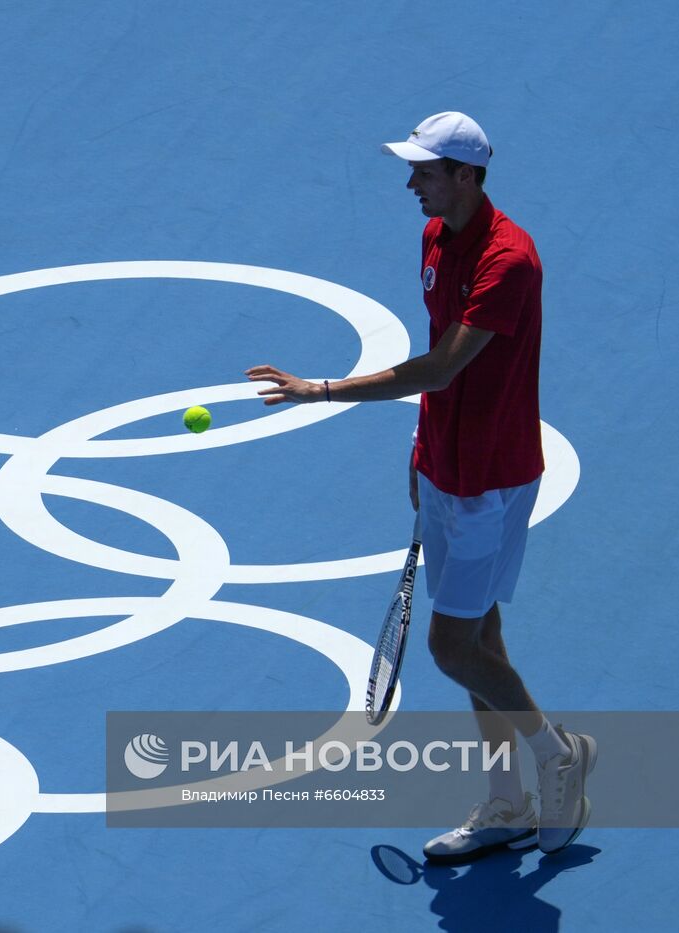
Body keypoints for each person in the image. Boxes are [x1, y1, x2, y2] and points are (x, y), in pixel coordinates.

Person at [245, 112, 594, 861]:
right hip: (446, 461)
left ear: (466, 176)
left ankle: (557, 754)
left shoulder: (511, 262)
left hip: (485, 482)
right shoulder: (437, 238)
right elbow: (438, 357)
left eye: (424, 172)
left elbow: (440, 368)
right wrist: (419, 438)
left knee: (450, 647)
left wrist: (322, 390)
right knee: (482, 634)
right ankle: (507, 800)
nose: (411, 184)